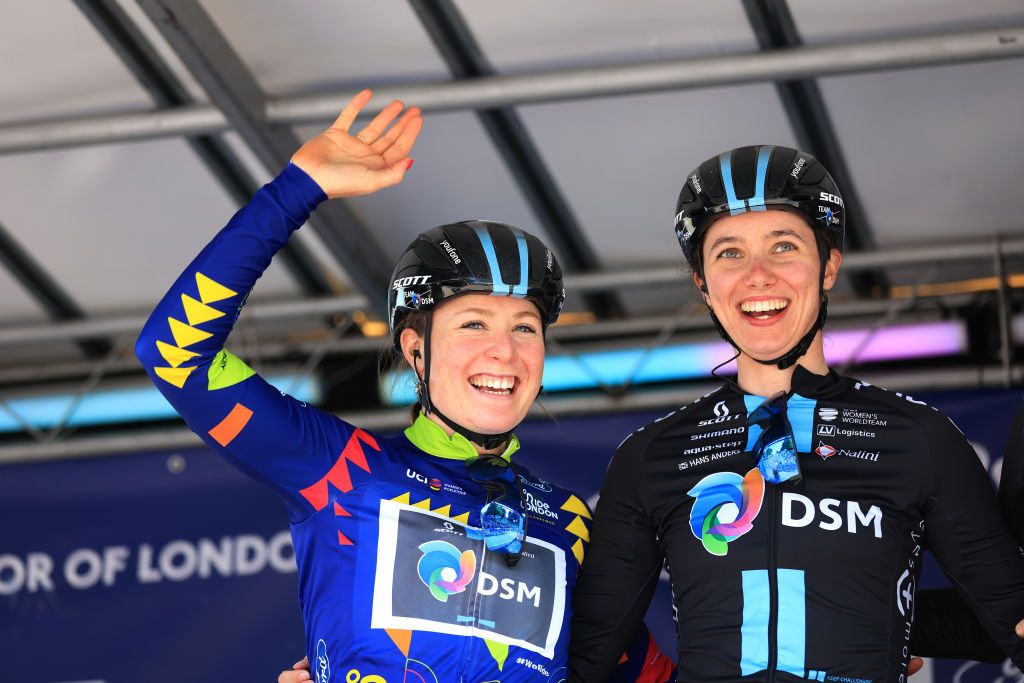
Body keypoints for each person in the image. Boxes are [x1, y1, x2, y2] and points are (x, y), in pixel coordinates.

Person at [135, 90, 673, 682]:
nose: (505, 351)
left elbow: (651, 674)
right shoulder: (341, 470)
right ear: (416, 350)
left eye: (526, 327)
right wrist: (296, 190)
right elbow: (173, 352)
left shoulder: (571, 523)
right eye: (473, 325)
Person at [568, 145, 1024, 682]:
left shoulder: (918, 436)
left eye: (783, 247)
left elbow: (1009, 617)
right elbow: (587, 658)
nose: (757, 276)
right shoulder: (650, 455)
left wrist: (883, 625)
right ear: (704, 286)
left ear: (828, 266)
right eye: (729, 254)